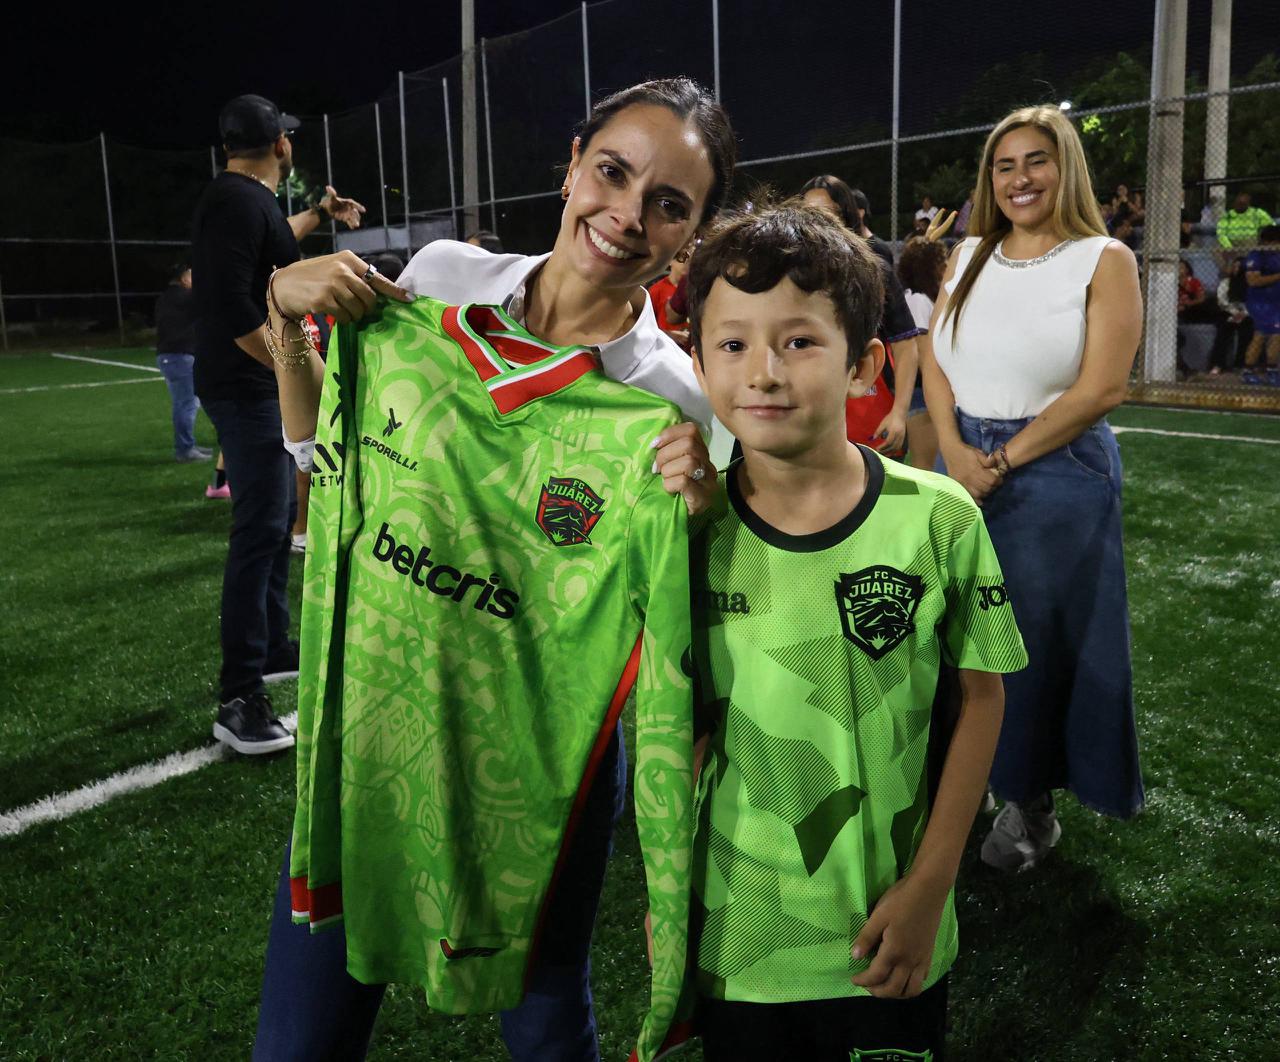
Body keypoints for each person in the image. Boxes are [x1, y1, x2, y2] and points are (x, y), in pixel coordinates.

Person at [252, 77, 736, 1062]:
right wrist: (285, 313)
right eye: (613, 172)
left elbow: (688, 622)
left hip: (542, 748)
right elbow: (322, 457)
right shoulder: (437, 281)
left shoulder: (679, 404)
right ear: (572, 164)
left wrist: (703, 511)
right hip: (378, 712)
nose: (626, 216)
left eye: (667, 204)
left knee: (546, 1015)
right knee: (301, 1032)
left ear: (692, 234)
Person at [683, 200, 1026, 1061]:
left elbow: (981, 701)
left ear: (865, 363)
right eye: (732, 344)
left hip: (889, 931)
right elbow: (672, 726)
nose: (763, 373)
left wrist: (932, 885)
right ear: (698, 361)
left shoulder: (938, 518)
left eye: (799, 341)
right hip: (738, 932)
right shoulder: (686, 530)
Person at [922, 104, 1145, 871]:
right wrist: (954, 450)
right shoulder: (968, 252)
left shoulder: (1103, 258)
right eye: (1004, 165)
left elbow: (1103, 387)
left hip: (1056, 469)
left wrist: (1000, 461)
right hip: (963, 460)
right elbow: (935, 360)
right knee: (951, 634)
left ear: (1065, 168)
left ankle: (1028, 805)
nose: (1020, 178)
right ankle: (969, 776)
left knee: (1030, 648)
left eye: (1036, 161)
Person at [192, 93, 367, 755]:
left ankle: (268, 648)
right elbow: (237, 312)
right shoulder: (236, 202)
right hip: (247, 387)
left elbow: (271, 241)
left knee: (269, 526)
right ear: (282, 145)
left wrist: (318, 213)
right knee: (261, 527)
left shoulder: (245, 200)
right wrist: (295, 367)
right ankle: (239, 696)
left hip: (249, 384)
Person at [800, 175, 922, 456]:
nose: (817, 222)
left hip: (870, 409)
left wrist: (899, 413)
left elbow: (906, 344)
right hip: (814, 414)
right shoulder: (791, 276)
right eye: (808, 214)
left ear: (846, 216)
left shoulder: (874, 269)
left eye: (826, 213)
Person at [896, 236, 949, 470]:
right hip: (922, 394)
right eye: (941, 262)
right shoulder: (917, 300)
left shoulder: (922, 298)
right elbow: (925, 357)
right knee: (925, 468)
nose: (946, 267)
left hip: (925, 393)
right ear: (927, 266)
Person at [154, 263, 210, 462]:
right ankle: (185, 449)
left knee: (186, 402)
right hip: (179, 356)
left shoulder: (165, 298)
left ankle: (187, 445)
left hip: (170, 356)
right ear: (184, 278)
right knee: (187, 404)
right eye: (192, 276)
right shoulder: (185, 297)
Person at [1241, 224, 1280, 382]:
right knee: (1263, 335)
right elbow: (1253, 281)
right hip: (1260, 303)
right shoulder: (1256, 255)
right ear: (1268, 241)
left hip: (1276, 301)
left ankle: (1271, 371)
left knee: (1274, 336)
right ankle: (1249, 371)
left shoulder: (1277, 255)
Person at [1209, 256, 1252, 375]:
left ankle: (1241, 364)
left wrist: (1243, 314)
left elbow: (1254, 302)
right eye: (1234, 266)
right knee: (1222, 332)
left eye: (1239, 266)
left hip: (1246, 315)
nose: (1236, 269)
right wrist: (1234, 313)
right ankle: (1218, 364)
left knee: (1247, 332)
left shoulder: (1251, 283)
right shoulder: (1226, 282)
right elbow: (1222, 301)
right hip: (1228, 313)